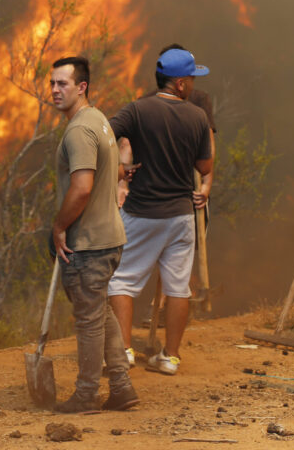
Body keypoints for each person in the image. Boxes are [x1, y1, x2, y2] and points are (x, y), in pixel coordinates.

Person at [107, 48, 213, 376]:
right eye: (191, 79)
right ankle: (170, 357)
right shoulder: (197, 117)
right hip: (181, 216)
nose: (193, 84)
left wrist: (122, 168)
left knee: (121, 281)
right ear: (179, 83)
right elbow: (204, 166)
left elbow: (104, 135)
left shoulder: (137, 110)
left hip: (141, 212)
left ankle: (123, 351)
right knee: (178, 287)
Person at [50, 56, 139, 413]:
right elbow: (114, 171)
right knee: (100, 312)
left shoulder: (79, 130)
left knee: (88, 321)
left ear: (82, 87)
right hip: (109, 237)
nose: (55, 90)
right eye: (52, 83)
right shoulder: (99, 119)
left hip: (88, 243)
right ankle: (121, 388)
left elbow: (82, 187)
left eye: (63, 84)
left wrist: (59, 226)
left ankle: (86, 394)